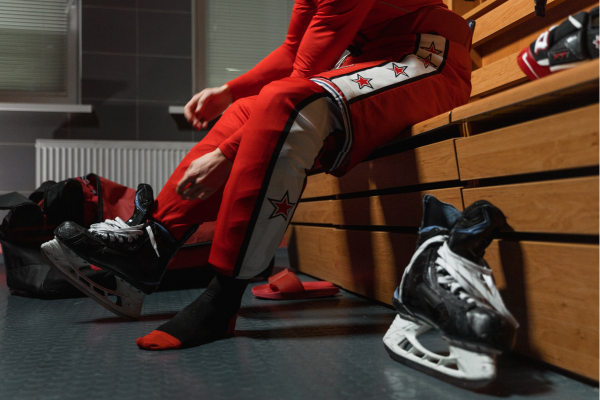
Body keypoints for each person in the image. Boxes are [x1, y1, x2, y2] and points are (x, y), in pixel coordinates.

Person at [44, 0, 473, 350]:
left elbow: (300, 80)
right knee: (244, 110)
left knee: (288, 104)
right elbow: (293, 51)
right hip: (366, 61)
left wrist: (227, 154)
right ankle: (153, 244)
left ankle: (222, 298)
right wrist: (228, 93)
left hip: (425, 56)